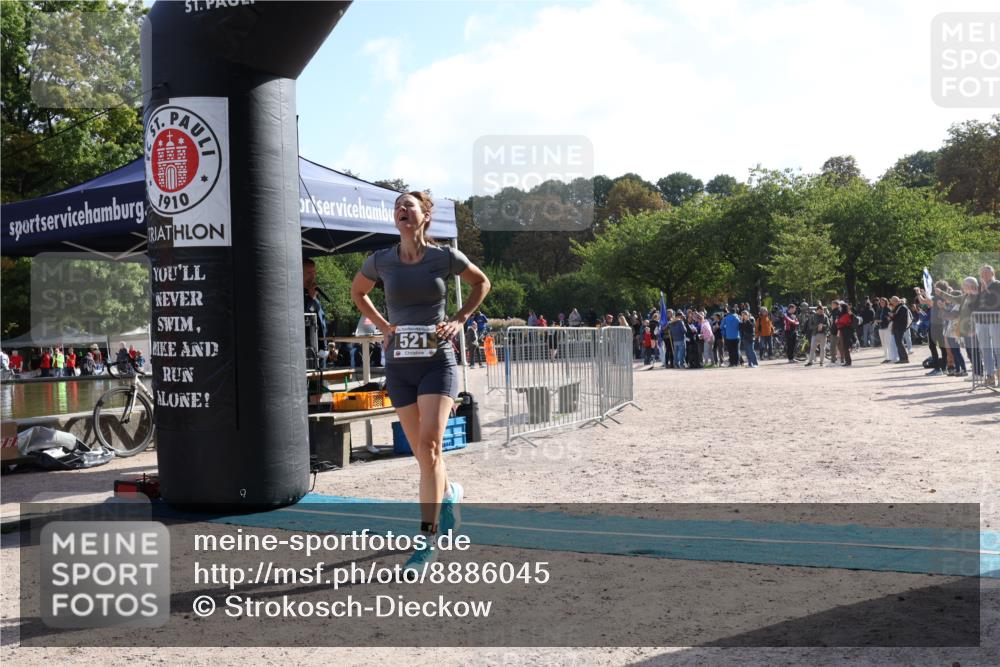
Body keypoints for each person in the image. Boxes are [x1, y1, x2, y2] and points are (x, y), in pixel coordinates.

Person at [350, 191, 490, 573]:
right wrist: (382, 326)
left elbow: (482, 283)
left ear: (424, 216)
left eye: (408, 205)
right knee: (423, 455)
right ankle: (450, 494)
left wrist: (460, 319)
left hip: (436, 363)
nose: (401, 210)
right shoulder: (381, 260)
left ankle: (426, 541)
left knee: (429, 448)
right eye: (397, 206)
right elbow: (357, 292)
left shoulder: (443, 257)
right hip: (399, 366)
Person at [974, 264, 1000, 387]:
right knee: (985, 350)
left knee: (997, 348)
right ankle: (990, 376)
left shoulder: (997, 285)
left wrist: (986, 290)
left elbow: (995, 301)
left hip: (995, 320)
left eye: (986, 272)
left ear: (992, 273)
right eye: (982, 273)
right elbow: (975, 304)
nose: (984, 275)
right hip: (981, 321)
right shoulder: (980, 288)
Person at [889, 296, 910, 363]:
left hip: (900, 327)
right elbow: (895, 318)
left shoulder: (903, 308)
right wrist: (891, 316)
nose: (892, 304)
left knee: (900, 342)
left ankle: (905, 358)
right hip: (897, 327)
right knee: (898, 343)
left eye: (892, 302)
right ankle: (902, 358)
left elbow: (900, 318)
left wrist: (892, 315)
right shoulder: (898, 307)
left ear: (896, 301)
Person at [877, 297, 897, 363]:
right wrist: (876, 320)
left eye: (883, 302)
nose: (881, 303)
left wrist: (886, 319)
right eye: (880, 302)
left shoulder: (888, 309)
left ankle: (890, 357)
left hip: (887, 328)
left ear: (886, 302)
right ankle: (886, 357)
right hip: (880, 328)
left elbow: (891, 318)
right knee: (883, 343)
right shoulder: (879, 309)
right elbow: (875, 317)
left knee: (888, 343)